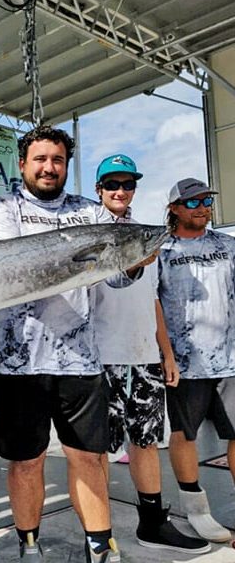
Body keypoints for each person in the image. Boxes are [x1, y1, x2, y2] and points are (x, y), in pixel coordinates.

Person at [0, 125, 142, 563]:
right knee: (25, 464)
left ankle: (100, 546)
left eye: (58, 160)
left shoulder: (91, 213)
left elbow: (120, 276)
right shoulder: (1, 209)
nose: (49, 168)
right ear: (23, 164)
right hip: (17, 364)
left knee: (87, 459)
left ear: (67, 166)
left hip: (80, 363)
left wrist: (137, 260)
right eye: (41, 159)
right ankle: (30, 546)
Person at [93, 156, 209, 554]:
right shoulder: (86, 231)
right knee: (98, 450)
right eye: (111, 183)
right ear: (99, 189)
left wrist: (167, 352)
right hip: (100, 356)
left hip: (143, 356)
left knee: (145, 443)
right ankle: (99, 533)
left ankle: (153, 523)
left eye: (128, 183)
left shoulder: (148, 236)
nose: (120, 190)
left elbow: (153, 299)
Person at [158, 177, 235, 543]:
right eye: (192, 202)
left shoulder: (228, 245)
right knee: (184, 434)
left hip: (232, 361)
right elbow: (152, 303)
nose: (202, 207)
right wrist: (167, 354)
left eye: (206, 200)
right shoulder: (161, 249)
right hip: (186, 364)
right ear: (173, 208)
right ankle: (197, 510)